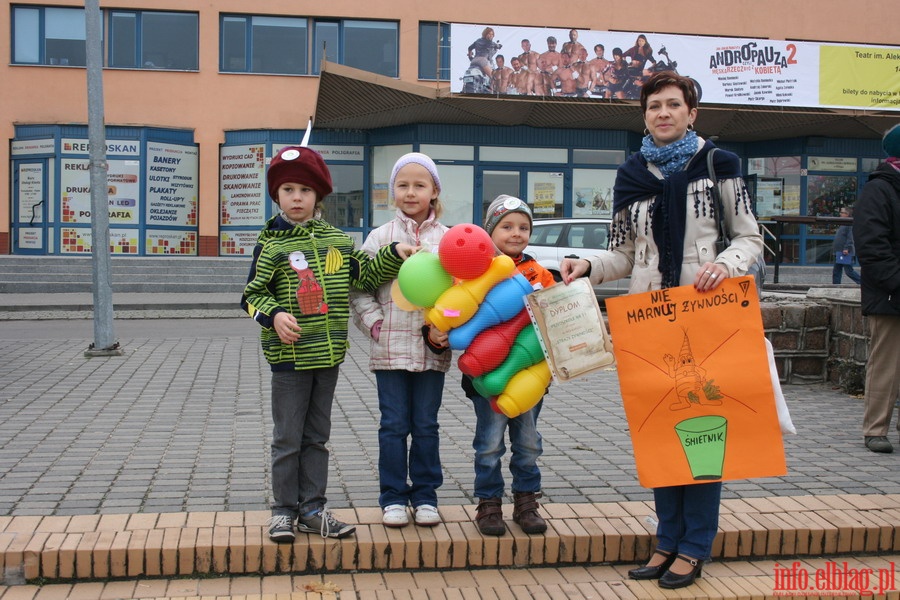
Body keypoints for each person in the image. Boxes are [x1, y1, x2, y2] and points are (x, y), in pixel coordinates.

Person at [560, 72, 764, 589]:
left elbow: (750, 238)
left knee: (703, 434)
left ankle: (695, 545)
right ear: (644, 115)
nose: (664, 113)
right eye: (654, 106)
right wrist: (586, 264)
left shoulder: (720, 165)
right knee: (659, 429)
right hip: (650, 320)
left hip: (708, 316)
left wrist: (728, 263)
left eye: (674, 105)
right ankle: (666, 539)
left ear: (692, 113)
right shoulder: (632, 175)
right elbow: (625, 254)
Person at [241, 145, 418, 543]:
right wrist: (274, 316)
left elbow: (367, 277)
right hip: (288, 359)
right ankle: (283, 511)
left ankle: (313, 508)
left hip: (329, 355)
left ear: (318, 196)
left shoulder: (338, 240)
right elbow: (250, 295)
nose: (296, 198)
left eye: (305, 190)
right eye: (288, 190)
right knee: (288, 437)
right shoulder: (270, 244)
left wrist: (395, 253)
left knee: (316, 436)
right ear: (277, 195)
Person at [350, 153, 451, 527]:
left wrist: (448, 328)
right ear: (392, 191)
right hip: (389, 350)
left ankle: (425, 495)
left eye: (419, 185)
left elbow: (461, 292)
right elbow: (358, 288)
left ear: (434, 191)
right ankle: (392, 496)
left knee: (426, 424)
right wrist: (375, 325)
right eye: (403, 185)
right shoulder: (379, 237)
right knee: (393, 424)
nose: (411, 192)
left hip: (431, 350)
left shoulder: (448, 240)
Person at [465, 195, 556, 537]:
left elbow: (555, 317)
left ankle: (526, 501)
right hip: (488, 376)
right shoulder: (475, 271)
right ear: (490, 232)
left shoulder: (539, 273)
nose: (516, 233)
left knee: (528, 441)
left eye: (524, 227)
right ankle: (489, 504)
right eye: (507, 226)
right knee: (489, 443)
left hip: (529, 376)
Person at [853, 123, 900, 454]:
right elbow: (872, 246)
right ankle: (876, 429)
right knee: (886, 363)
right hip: (890, 293)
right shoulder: (880, 189)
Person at [832, 207, 861, 285]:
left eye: (842, 212)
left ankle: (862, 282)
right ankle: (835, 285)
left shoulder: (849, 224)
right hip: (838, 252)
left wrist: (846, 248)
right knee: (836, 270)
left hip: (845, 252)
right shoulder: (843, 223)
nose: (840, 214)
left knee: (849, 271)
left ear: (847, 214)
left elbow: (850, 238)